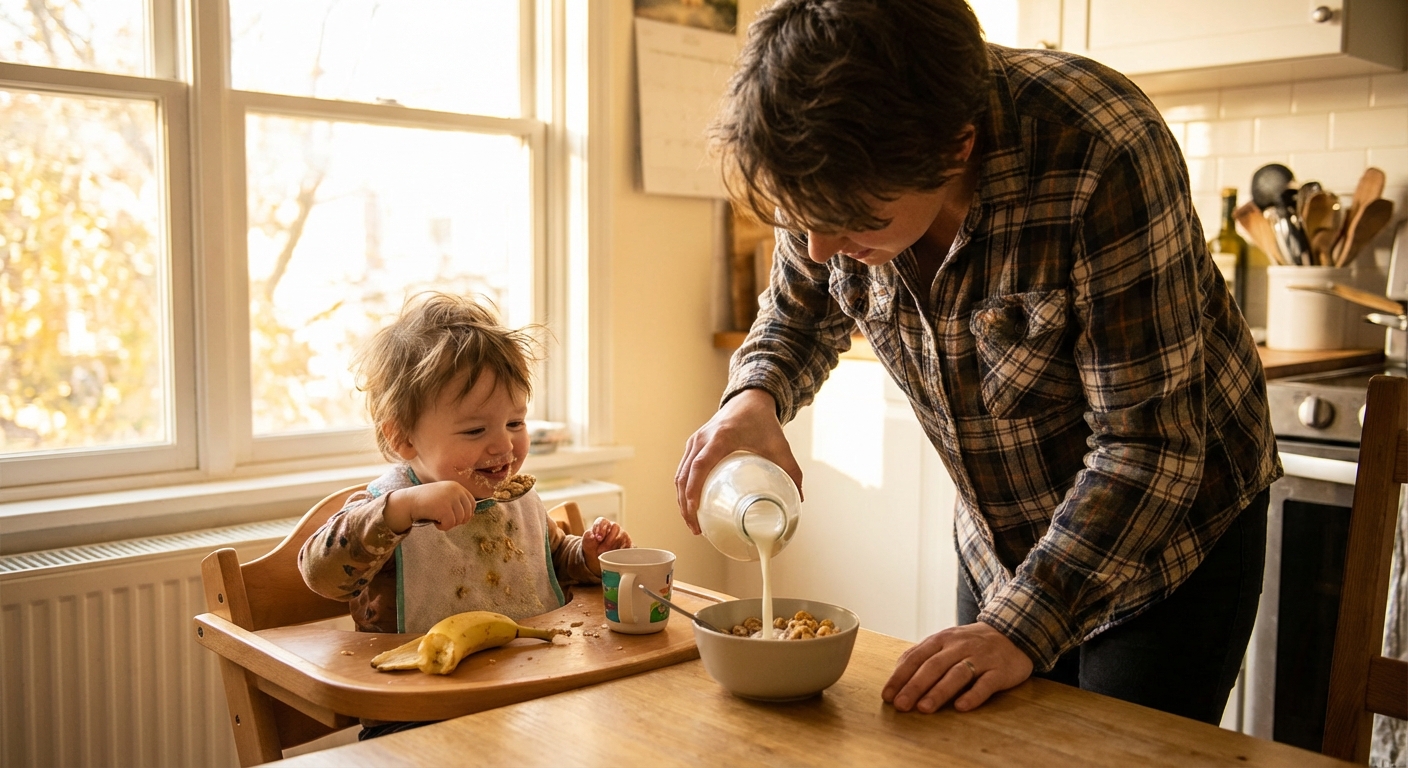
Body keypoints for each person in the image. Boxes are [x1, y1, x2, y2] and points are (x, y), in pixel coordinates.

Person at [675, 0, 1280, 725]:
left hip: (1166, 542)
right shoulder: (832, 166)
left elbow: (1150, 444)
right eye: (800, 219)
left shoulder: (1100, 147)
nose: (817, 247)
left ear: (956, 148)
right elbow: (799, 310)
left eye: (855, 219)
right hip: (1000, 539)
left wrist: (1017, 628)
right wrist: (755, 396)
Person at [301, 291, 632, 739]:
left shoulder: (514, 499)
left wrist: (588, 556)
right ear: (403, 439)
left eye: (516, 422)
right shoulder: (387, 511)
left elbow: (551, 561)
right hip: (420, 716)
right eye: (476, 429)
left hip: (537, 699)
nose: (504, 445)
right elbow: (320, 573)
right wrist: (401, 511)